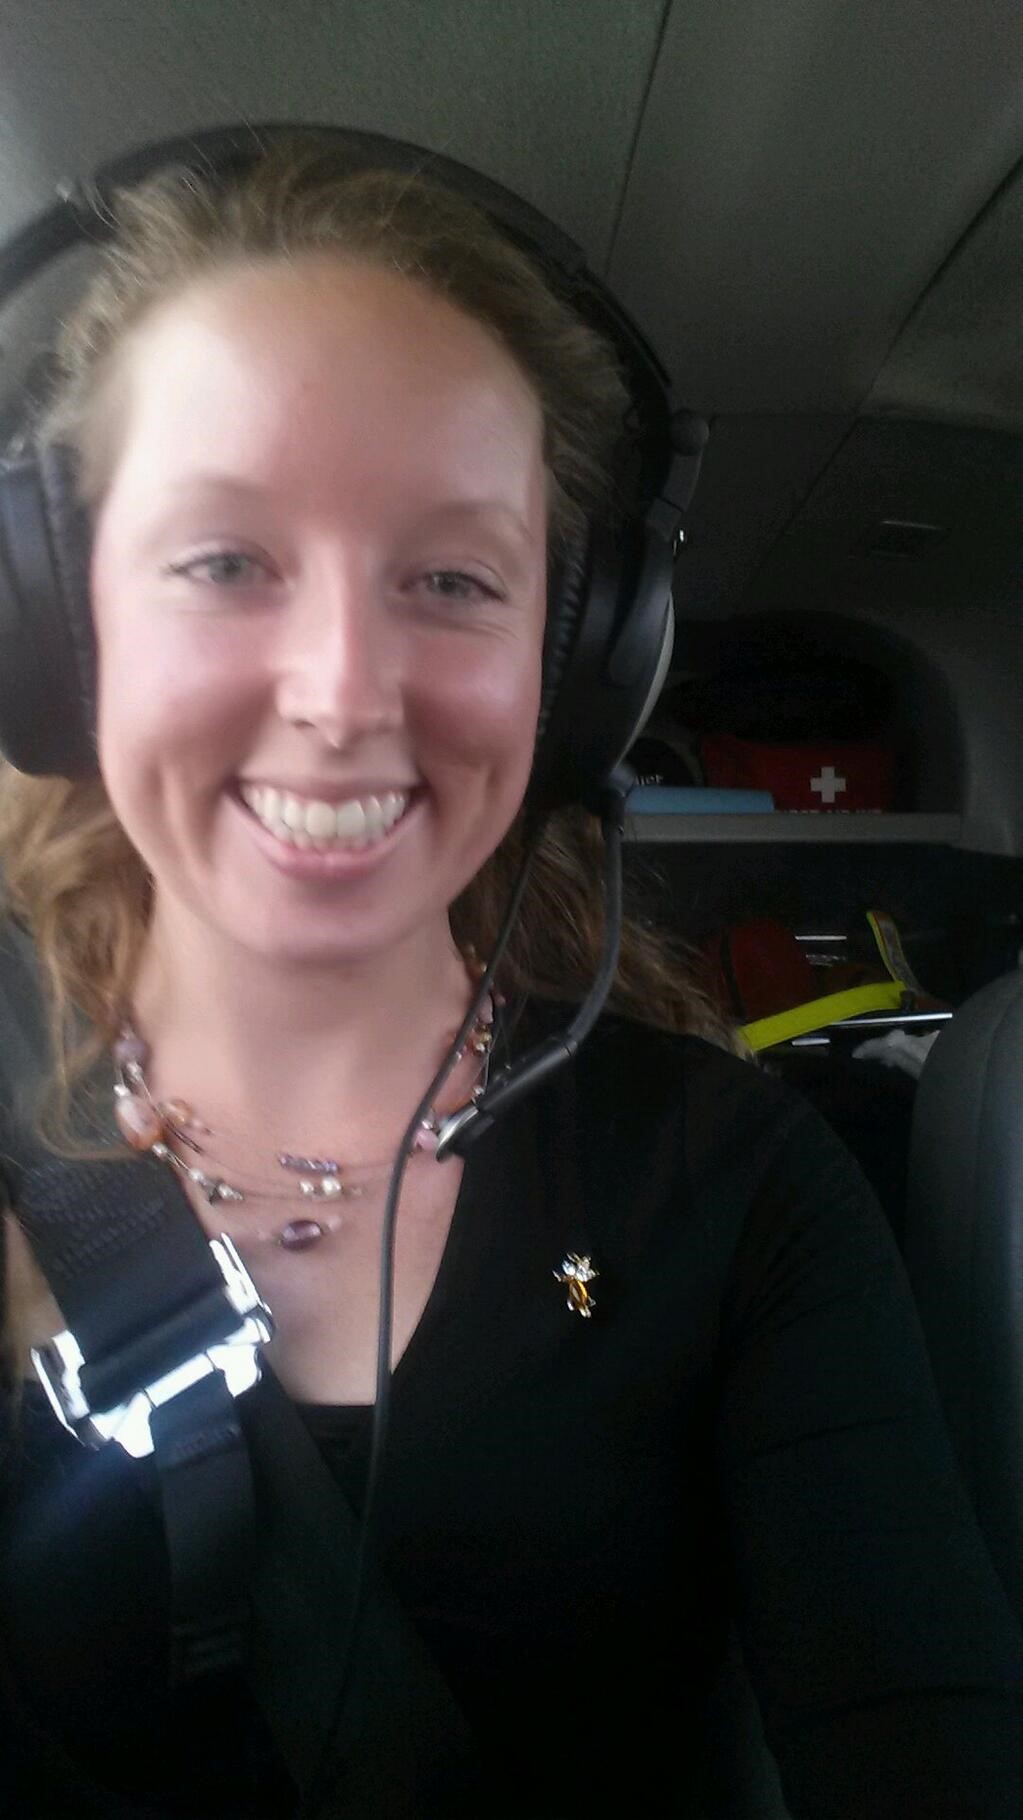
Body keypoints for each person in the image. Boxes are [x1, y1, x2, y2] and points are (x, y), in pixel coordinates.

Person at [1, 134, 1021, 1820]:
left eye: (453, 578)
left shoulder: (737, 1189)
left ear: (581, 664)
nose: (343, 692)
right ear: (63, 622)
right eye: (226, 560)